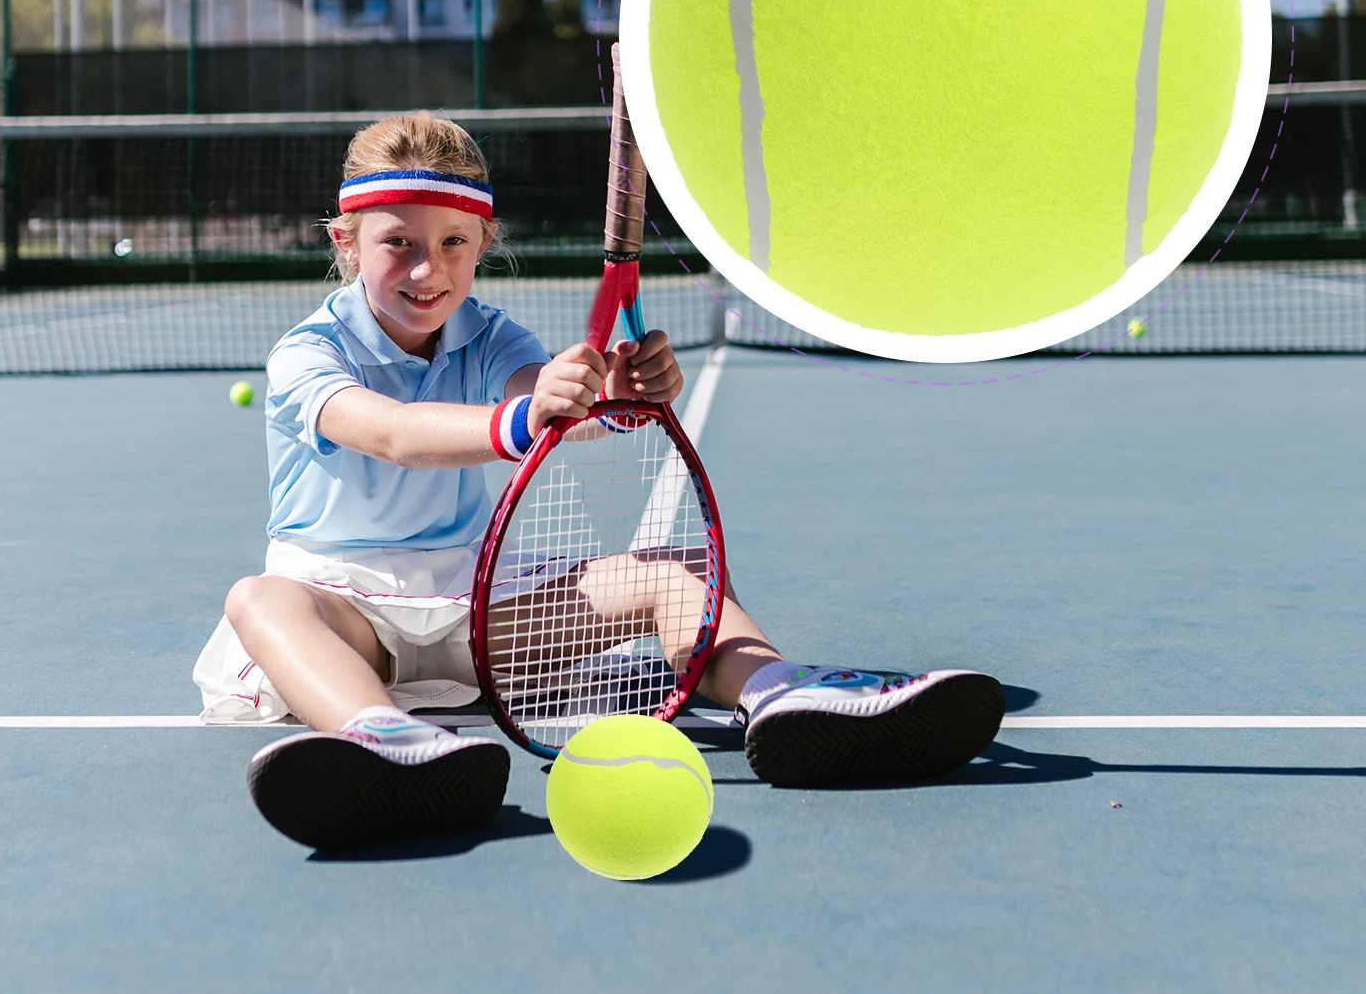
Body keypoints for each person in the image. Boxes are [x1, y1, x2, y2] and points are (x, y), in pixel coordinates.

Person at [196, 113, 1004, 848]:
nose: (426, 270)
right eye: (397, 243)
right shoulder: (307, 354)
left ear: (483, 243)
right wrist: (527, 419)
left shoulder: (490, 333)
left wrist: (612, 398)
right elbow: (392, 433)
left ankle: (783, 695)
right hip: (345, 619)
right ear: (346, 242)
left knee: (680, 575)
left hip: (482, 614)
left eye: (452, 243)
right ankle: (387, 745)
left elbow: (541, 396)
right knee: (260, 599)